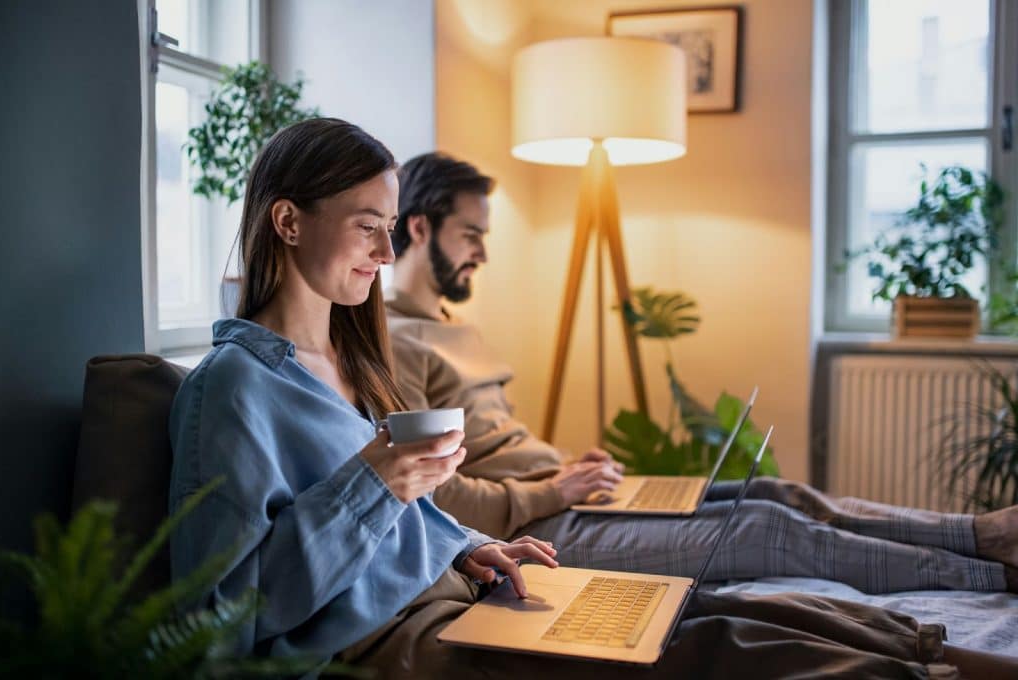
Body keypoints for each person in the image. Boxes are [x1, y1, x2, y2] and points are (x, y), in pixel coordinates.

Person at [168, 118, 991, 679]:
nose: (388, 251)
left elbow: (397, 515)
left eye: (394, 225)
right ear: (286, 222)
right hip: (393, 639)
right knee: (709, 649)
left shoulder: (343, 357)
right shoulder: (234, 391)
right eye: (368, 225)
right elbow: (224, 622)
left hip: (459, 590)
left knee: (694, 607)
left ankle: (931, 647)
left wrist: (460, 548)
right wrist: (381, 480)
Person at [385, 151, 1018, 595]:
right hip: (534, 530)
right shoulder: (396, 343)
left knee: (777, 494)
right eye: (471, 234)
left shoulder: (449, 323)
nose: (483, 253)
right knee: (768, 531)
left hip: (560, 496)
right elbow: (436, 497)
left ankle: (979, 533)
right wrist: (552, 492)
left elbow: (497, 443)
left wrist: (567, 467)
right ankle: (994, 576)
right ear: (420, 227)